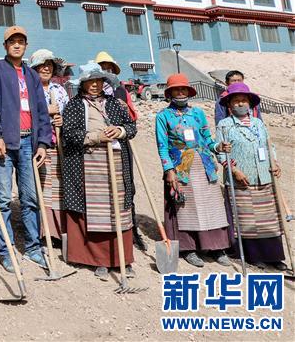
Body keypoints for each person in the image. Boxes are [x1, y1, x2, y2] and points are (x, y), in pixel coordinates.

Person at [0, 26, 52, 272]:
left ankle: (32, 247)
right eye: (12, 41)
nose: (17, 45)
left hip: (29, 143)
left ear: (26, 45)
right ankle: (7, 249)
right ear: (5, 46)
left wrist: (42, 142)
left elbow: (42, 111)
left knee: (30, 198)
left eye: (21, 41)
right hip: (5, 143)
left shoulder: (32, 75)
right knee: (2, 199)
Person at [61, 62, 138, 280]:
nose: (94, 85)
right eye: (90, 81)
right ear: (83, 84)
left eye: (98, 81)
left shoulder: (115, 104)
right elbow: (70, 134)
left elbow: (132, 128)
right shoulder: (75, 105)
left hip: (116, 161)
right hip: (89, 162)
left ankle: (122, 259)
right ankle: (100, 260)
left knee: (118, 209)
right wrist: (97, 137)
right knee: (97, 210)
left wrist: (120, 130)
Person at [156, 74, 231, 268]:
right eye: (176, 90)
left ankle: (217, 248)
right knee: (186, 207)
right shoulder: (163, 116)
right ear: (170, 93)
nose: (180, 93)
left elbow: (207, 139)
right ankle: (189, 249)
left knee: (211, 205)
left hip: (204, 165)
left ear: (189, 92)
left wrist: (218, 147)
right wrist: (168, 170)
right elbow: (162, 145)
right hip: (180, 166)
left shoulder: (198, 113)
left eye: (183, 89)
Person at [216, 83, 286, 270]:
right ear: (229, 104)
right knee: (248, 220)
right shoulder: (224, 125)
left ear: (250, 103)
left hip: (264, 176)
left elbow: (269, 146)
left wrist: (275, 163)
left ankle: (274, 256)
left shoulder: (258, 123)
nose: (240, 104)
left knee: (268, 219)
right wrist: (234, 170)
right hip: (241, 179)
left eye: (243, 100)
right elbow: (220, 152)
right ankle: (254, 256)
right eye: (236, 101)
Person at [94, 49, 146, 251]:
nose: (106, 71)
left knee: (127, 185)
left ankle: (131, 229)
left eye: (109, 68)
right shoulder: (90, 91)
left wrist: (125, 110)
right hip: (99, 146)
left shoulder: (121, 90)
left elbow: (133, 118)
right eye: (102, 68)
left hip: (121, 143)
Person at [29, 49, 69, 239]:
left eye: (49, 65)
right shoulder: (28, 89)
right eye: (42, 65)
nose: (46, 68)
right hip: (38, 144)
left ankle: (59, 231)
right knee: (43, 186)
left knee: (58, 186)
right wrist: (45, 110)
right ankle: (43, 231)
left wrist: (62, 120)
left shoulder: (59, 90)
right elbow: (26, 113)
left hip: (58, 144)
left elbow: (68, 113)